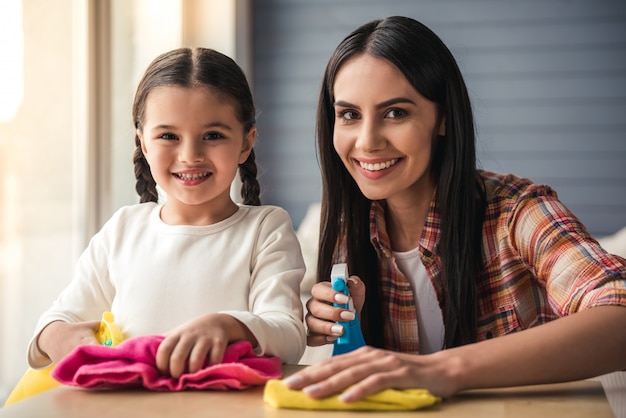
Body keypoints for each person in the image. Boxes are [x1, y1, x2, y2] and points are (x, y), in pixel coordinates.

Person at [284, 16, 626, 402]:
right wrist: (334, 328)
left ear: (442, 118)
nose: (367, 141)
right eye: (349, 114)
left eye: (396, 112)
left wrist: (440, 370)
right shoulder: (348, 231)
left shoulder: (516, 212)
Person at [28, 47, 306, 379]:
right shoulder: (123, 229)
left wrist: (228, 325)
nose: (190, 155)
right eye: (168, 136)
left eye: (212, 136)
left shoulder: (265, 228)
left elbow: (289, 334)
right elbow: (59, 317)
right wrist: (55, 335)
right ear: (144, 143)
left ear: (246, 143)